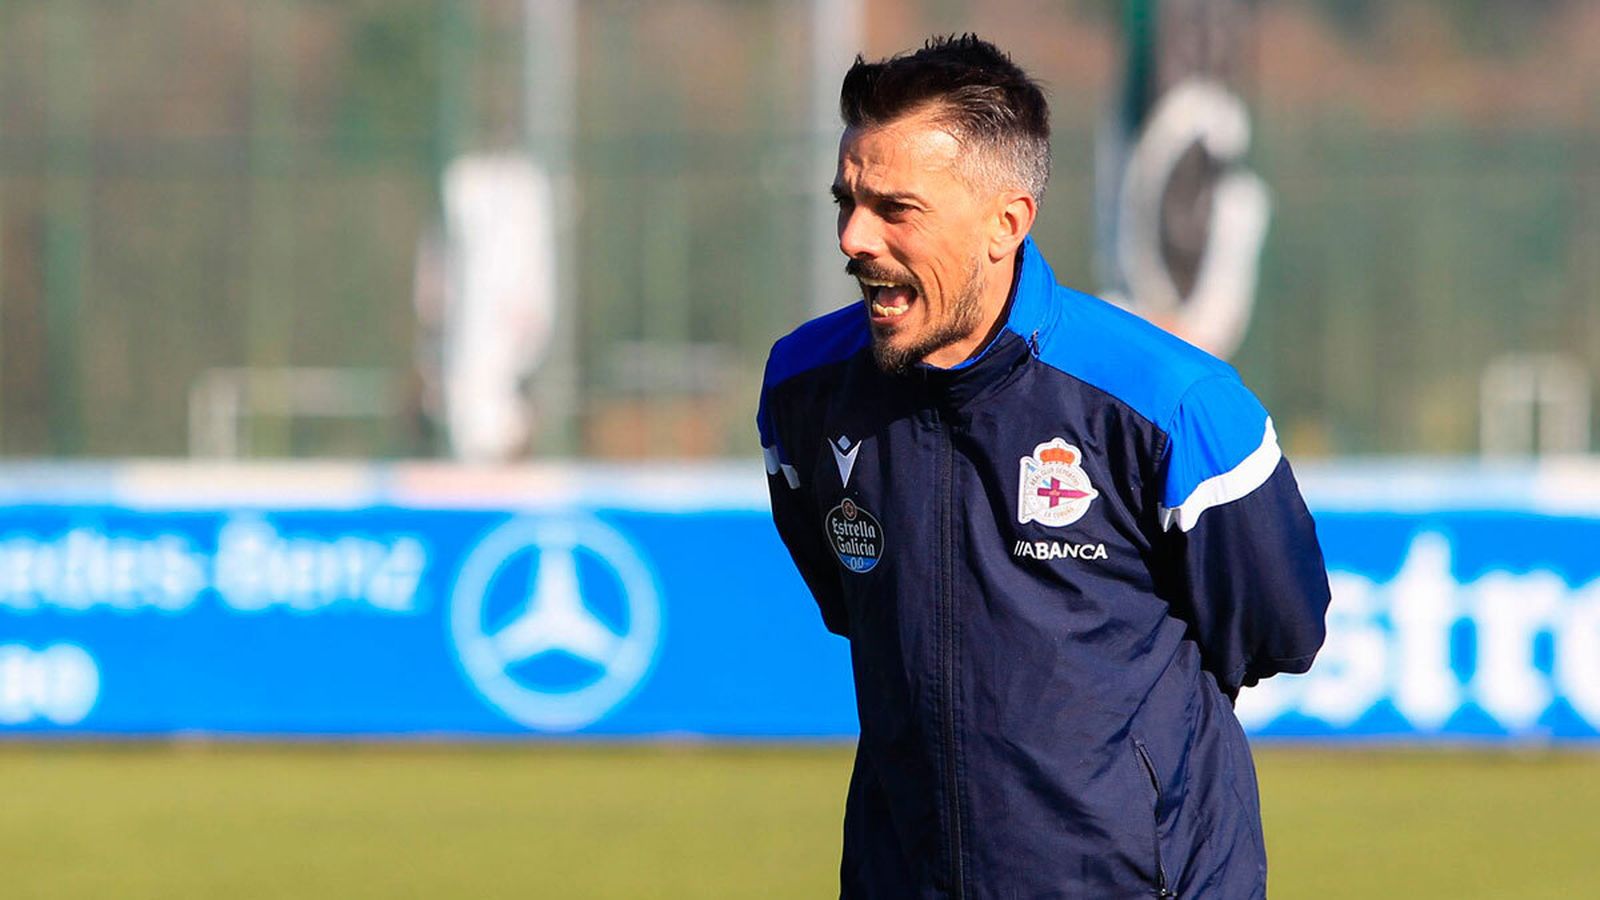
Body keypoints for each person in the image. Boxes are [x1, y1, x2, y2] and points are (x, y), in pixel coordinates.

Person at [757, 35, 1331, 899]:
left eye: (895, 209)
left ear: (1008, 222)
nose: (854, 237)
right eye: (848, 201)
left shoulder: (1171, 403)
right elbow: (854, 603)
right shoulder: (804, 388)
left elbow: (1279, 632)